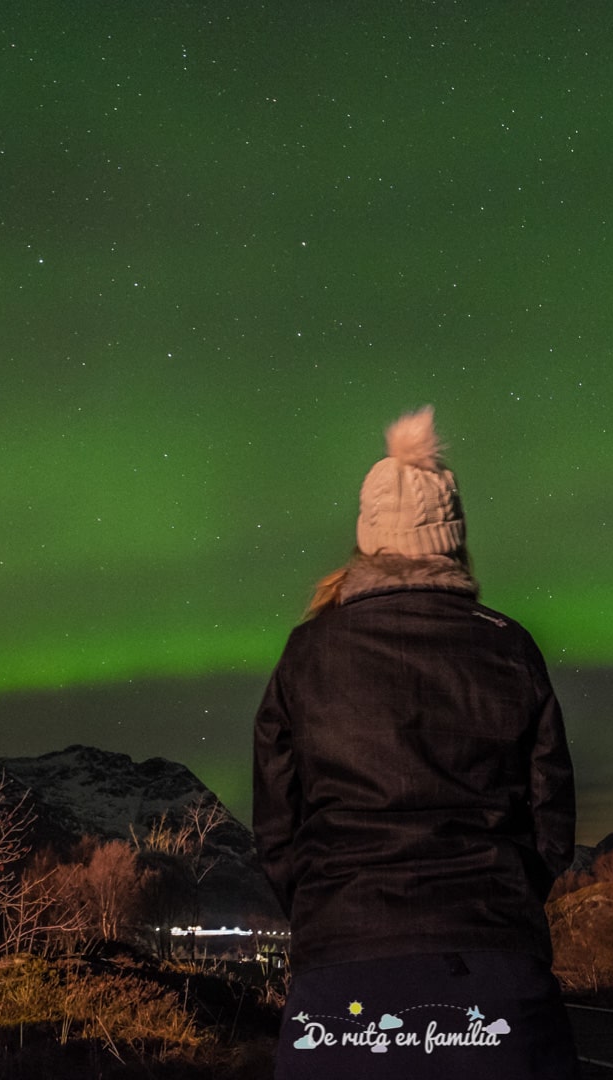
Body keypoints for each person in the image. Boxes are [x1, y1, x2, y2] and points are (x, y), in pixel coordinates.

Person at [253, 405, 579, 1078]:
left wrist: (327, 908)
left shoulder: (308, 654)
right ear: (454, 541)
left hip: (339, 981)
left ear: (367, 541)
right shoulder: (509, 647)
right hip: (497, 977)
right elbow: (551, 824)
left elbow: (277, 829)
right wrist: (502, 900)